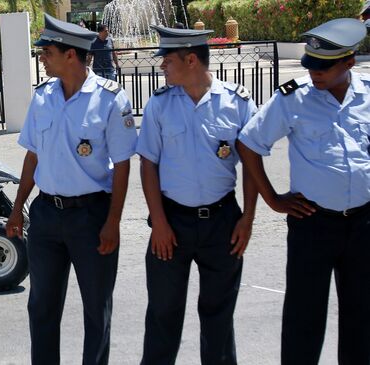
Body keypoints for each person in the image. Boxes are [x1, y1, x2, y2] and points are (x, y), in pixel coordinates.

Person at [5, 14, 137, 365]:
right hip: (46, 216)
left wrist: (113, 222)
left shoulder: (111, 99)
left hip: (91, 216)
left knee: (97, 309)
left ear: (71, 55)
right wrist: (18, 208)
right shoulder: (43, 97)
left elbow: (123, 165)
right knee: (42, 307)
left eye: (47, 51)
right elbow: (33, 155)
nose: (42, 58)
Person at [237, 18, 370, 365]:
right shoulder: (293, 99)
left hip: (364, 225)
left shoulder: (368, 96)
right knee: (304, 318)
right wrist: (272, 198)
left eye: (324, 67)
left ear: (349, 62)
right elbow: (249, 143)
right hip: (313, 224)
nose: (315, 73)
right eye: (311, 64)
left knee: (363, 318)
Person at [137, 26, 258, 364]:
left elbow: (252, 166)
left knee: (218, 316)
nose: (161, 66)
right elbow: (148, 165)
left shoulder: (236, 102)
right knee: (163, 314)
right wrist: (159, 223)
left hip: (223, 222)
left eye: (167, 60)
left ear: (191, 59)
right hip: (171, 222)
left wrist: (247, 219)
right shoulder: (159, 106)